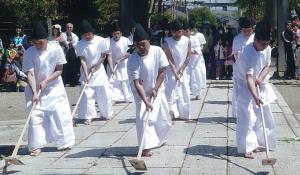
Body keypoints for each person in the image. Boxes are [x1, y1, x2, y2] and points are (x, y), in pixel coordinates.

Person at [22, 22, 75, 156]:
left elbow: (59, 70)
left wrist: (46, 80)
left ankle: (64, 142)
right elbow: (30, 73)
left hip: (54, 86)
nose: (38, 45)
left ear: (46, 40)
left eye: (41, 43)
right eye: (36, 43)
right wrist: (34, 92)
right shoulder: (29, 52)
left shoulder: (56, 49)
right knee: (35, 115)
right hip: (35, 87)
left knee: (59, 113)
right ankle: (36, 146)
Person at [127, 23, 171, 157]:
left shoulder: (157, 51)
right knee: (143, 117)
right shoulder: (132, 60)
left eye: (143, 44)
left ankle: (159, 139)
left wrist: (155, 88)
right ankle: (145, 147)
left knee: (162, 115)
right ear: (134, 45)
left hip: (157, 87)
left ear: (149, 42)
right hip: (140, 92)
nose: (141, 47)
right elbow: (136, 83)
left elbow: (162, 71)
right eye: (138, 45)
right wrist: (146, 101)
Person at [235, 21, 276, 159]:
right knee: (247, 116)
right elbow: (248, 78)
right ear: (255, 40)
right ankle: (246, 147)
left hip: (259, 84)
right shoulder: (247, 53)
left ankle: (259, 142)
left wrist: (260, 78)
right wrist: (255, 96)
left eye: (267, 43)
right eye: (262, 44)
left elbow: (267, 65)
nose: (264, 47)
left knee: (262, 115)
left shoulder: (267, 48)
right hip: (246, 86)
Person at [75, 20, 114, 125]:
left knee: (103, 92)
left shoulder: (100, 40)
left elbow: (103, 56)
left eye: (89, 34)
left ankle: (106, 113)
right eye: (85, 35)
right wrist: (86, 74)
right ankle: (88, 116)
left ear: (92, 32)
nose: (87, 36)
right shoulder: (80, 44)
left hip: (99, 69)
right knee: (87, 94)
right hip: (86, 70)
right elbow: (82, 60)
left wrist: (95, 65)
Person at [163, 20, 191, 120]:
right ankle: (170, 113)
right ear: (171, 32)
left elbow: (188, 56)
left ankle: (184, 114)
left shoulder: (187, 40)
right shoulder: (167, 41)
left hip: (183, 70)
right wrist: (175, 72)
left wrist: (182, 69)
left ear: (182, 31)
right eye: (175, 32)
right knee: (170, 93)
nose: (177, 34)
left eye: (179, 31)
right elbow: (169, 58)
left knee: (185, 92)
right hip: (171, 71)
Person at [232, 16, 256, 119]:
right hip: (239, 70)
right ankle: (238, 114)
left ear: (253, 28)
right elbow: (234, 54)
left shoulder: (255, 38)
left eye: (248, 30)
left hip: (253, 68)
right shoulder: (237, 39)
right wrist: (237, 55)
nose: (246, 32)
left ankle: (253, 114)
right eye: (244, 30)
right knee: (239, 93)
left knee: (252, 92)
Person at [107, 22, 133, 103]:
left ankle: (127, 97)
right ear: (112, 34)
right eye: (115, 34)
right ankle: (114, 98)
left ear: (121, 33)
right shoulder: (109, 41)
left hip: (124, 63)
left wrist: (121, 59)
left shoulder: (126, 40)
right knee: (113, 81)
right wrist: (111, 68)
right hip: (113, 64)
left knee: (125, 81)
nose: (116, 35)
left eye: (118, 33)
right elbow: (109, 56)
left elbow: (129, 53)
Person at [183, 22, 203, 100]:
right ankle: (185, 94)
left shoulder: (194, 39)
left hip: (194, 62)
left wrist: (193, 51)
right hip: (184, 63)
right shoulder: (181, 39)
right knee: (185, 79)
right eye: (184, 31)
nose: (185, 33)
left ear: (189, 31)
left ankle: (197, 94)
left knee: (196, 78)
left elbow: (199, 49)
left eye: (187, 31)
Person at [190, 21, 207, 89]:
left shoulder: (200, 35)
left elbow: (202, 45)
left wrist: (198, 51)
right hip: (189, 55)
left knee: (200, 70)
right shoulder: (188, 35)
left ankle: (201, 84)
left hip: (198, 55)